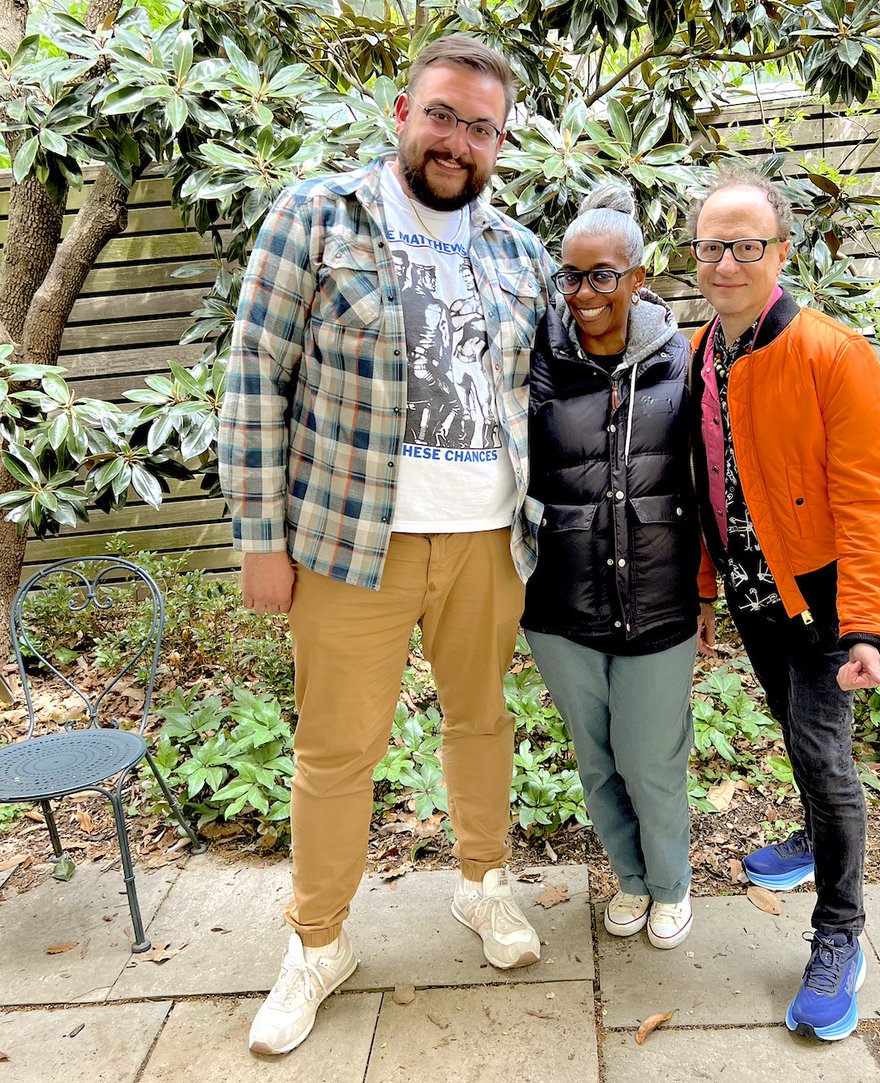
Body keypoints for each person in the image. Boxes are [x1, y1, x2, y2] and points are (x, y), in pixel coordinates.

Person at [217, 34, 555, 1056]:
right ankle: (317, 944)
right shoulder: (316, 216)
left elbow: (558, 378)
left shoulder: (517, 252)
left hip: (487, 539)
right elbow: (252, 382)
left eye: (482, 128)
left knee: (483, 722)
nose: (459, 141)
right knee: (334, 752)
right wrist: (259, 540)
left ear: (502, 143)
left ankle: (484, 887)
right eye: (444, 116)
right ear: (403, 113)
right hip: (348, 541)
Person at [689, 165, 880, 1041]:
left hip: (820, 600)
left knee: (822, 754)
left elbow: (868, 497)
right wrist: (705, 591)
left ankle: (840, 933)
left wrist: (866, 628)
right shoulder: (703, 350)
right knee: (797, 736)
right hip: (751, 591)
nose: (727, 262)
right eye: (712, 246)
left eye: (746, 245)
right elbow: (703, 485)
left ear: (781, 250)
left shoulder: (831, 352)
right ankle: (815, 838)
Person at [522, 184, 700, 950]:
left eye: (602, 275)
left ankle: (671, 883)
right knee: (596, 758)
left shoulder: (679, 359)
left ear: (635, 275)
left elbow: (705, 473)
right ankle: (630, 879)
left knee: (651, 757)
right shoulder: (537, 358)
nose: (585, 292)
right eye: (571, 275)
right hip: (560, 601)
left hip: (658, 597)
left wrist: (709, 587)